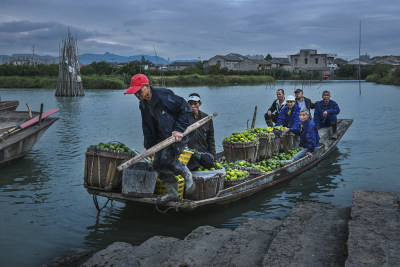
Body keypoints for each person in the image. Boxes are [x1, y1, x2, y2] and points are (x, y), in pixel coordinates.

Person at [124, 74, 195, 203]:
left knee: (167, 160)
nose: (137, 95)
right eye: (134, 93)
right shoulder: (143, 105)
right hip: (161, 137)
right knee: (156, 165)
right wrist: (149, 147)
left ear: (147, 87)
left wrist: (179, 129)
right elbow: (147, 126)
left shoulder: (164, 95)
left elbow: (185, 108)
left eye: (139, 91)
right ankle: (173, 192)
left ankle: (186, 173)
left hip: (177, 133)